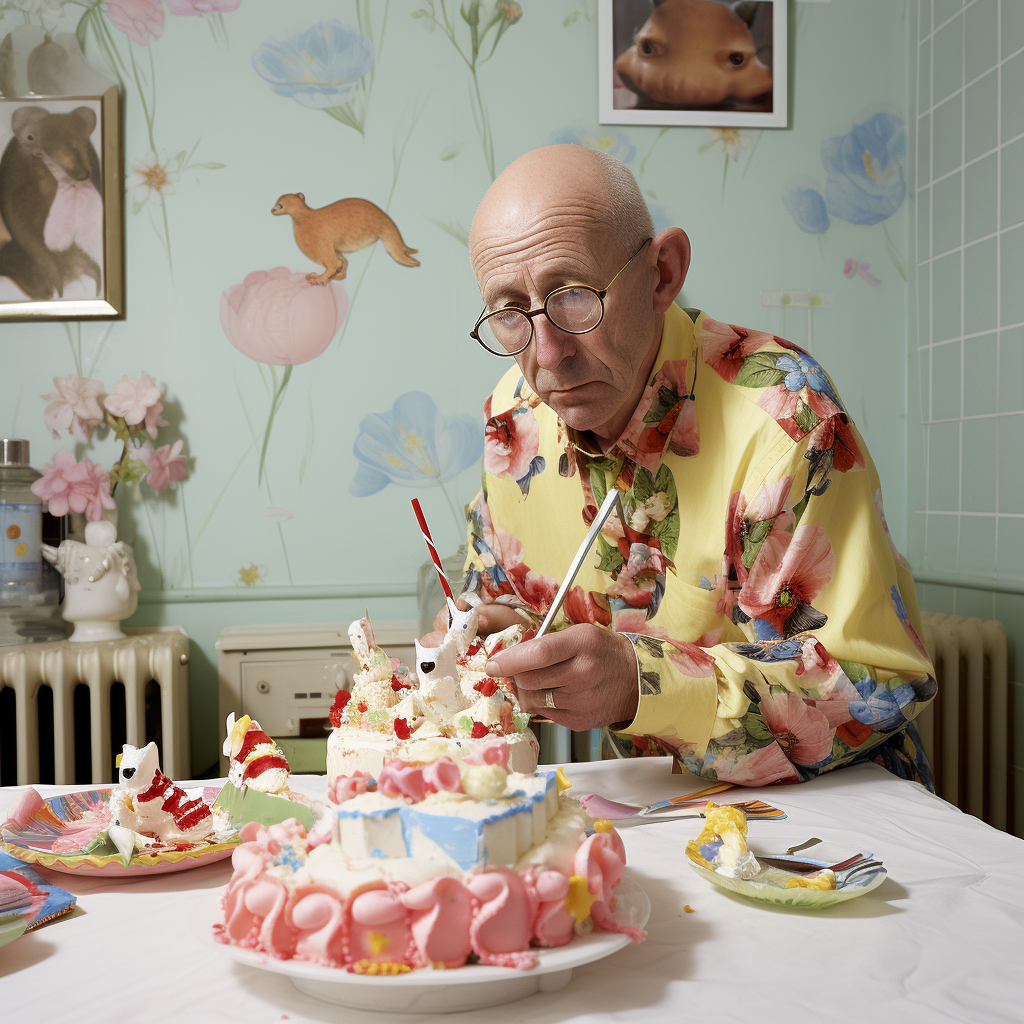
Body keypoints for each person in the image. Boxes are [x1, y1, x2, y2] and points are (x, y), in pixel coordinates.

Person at [436, 144, 935, 788]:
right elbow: (504, 602)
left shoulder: (784, 413)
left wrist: (639, 685)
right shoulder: (513, 417)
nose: (548, 356)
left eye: (575, 297)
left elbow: (878, 686)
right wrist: (492, 632)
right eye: (510, 313)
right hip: (658, 814)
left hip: (841, 816)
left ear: (663, 273)